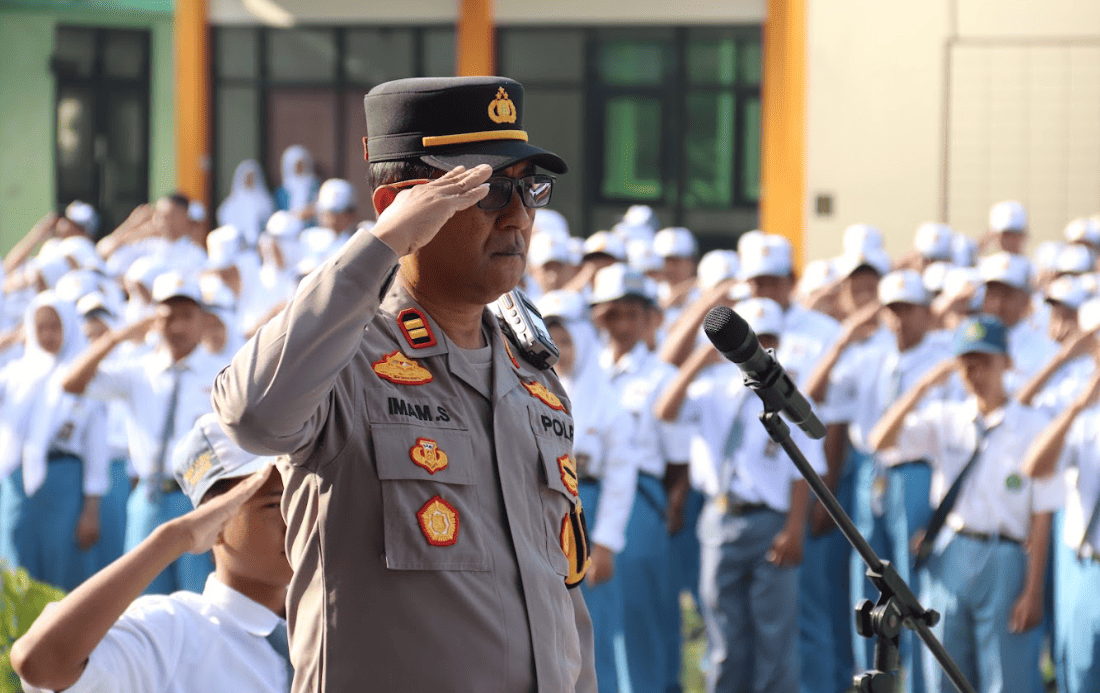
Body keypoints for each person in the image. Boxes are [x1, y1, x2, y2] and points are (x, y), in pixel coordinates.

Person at [212, 76, 595, 692]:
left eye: (528, 189)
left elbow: (562, 601)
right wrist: (381, 246)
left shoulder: (535, 379)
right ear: (401, 206)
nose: (520, 214)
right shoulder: (344, 360)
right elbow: (253, 416)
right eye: (488, 190)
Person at [11, 413, 291, 693]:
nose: (298, 519)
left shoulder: (324, 623)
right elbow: (40, 663)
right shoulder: (173, 633)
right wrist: (175, 538)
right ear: (213, 518)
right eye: (275, 504)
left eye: (304, 498)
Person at [869, 314, 1061, 693]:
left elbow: (1042, 515)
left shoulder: (1033, 425)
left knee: (1005, 676)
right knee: (944, 667)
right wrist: (922, 386)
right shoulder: (947, 418)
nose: (975, 372)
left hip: (1005, 553)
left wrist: (1033, 590)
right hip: (952, 551)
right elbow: (879, 441)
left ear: (1006, 362)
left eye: (984, 361)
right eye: (966, 362)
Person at [655, 297, 820, 693]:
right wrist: (701, 359)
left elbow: (805, 469)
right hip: (721, 516)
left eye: (765, 342)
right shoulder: (714, 389)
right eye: (749, 341)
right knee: (724, 632)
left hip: (770, 521)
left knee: (774, 635)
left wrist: (794, 527)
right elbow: (665, 410)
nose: (755, 351)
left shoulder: (788, 393)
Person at [62, 270, 224, 594]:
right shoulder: (139, 370)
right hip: (148, 497)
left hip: (200, 500)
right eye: (167, 317)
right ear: (153, 320)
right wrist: (117, 337)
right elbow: (72, 383)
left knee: (199, 601)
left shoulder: (222, 371)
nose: (176, 327)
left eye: (186, 316)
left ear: (204, 320)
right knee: (140, 600)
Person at [588, 262, 691, 693]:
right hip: (588, 494)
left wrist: (669, 509)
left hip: (643, 500)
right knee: (594, 618)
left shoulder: (661, 377)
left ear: (651, 317)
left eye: (633, 313)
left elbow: (678, 461)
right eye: (613, 314)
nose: (623, 324)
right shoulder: (583, 370)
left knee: (639, 617)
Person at [539, 289, 639, 693]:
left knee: (594, 625)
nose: (559, 350)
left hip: (589, 511)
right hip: (545, 510)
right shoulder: (531, 390)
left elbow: (620, 475)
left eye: (566, 341)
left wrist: (606, 543)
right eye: (551, 340)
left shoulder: (607, 399)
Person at [0, 292, 107, 590]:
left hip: (63, 480)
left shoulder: (81, 376)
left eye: (54, 326)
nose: (47, 334)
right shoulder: (17, 374)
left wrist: (91, 509)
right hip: (18, 482)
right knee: (16, 568)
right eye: (40, 326)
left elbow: (95, 448)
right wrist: (10, 339)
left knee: (62, 570)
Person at [1020, 365, 1100, 693]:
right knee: (1079, 679)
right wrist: (1079, 405)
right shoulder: (1088, 420)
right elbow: (1034, 466)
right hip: (1089, 570)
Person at [217, 160, 275, 248]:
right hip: (236, 246)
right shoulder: (232, 201)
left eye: (252, 177)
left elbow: (269, 221)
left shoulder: (264, 200)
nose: (249, 180)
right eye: (247, 177)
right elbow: (223, 216)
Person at [276, 145, 320, 220]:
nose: (299, 167)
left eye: (301, 164)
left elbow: (318, 204)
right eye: (296, 164)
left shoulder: (313, 183)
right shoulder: (283, 188)